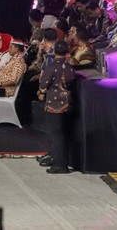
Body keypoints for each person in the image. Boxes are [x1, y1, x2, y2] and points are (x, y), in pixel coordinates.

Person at [37, 40, 76, 174]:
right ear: (67, 52)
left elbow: (43, 83)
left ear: (54, 52)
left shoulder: (52, 67)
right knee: (62, 133)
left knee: (56, 134)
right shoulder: (70, 67)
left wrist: (42, 92)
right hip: (67, 103)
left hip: (54, 103)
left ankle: (60, 164)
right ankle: (56, 157)